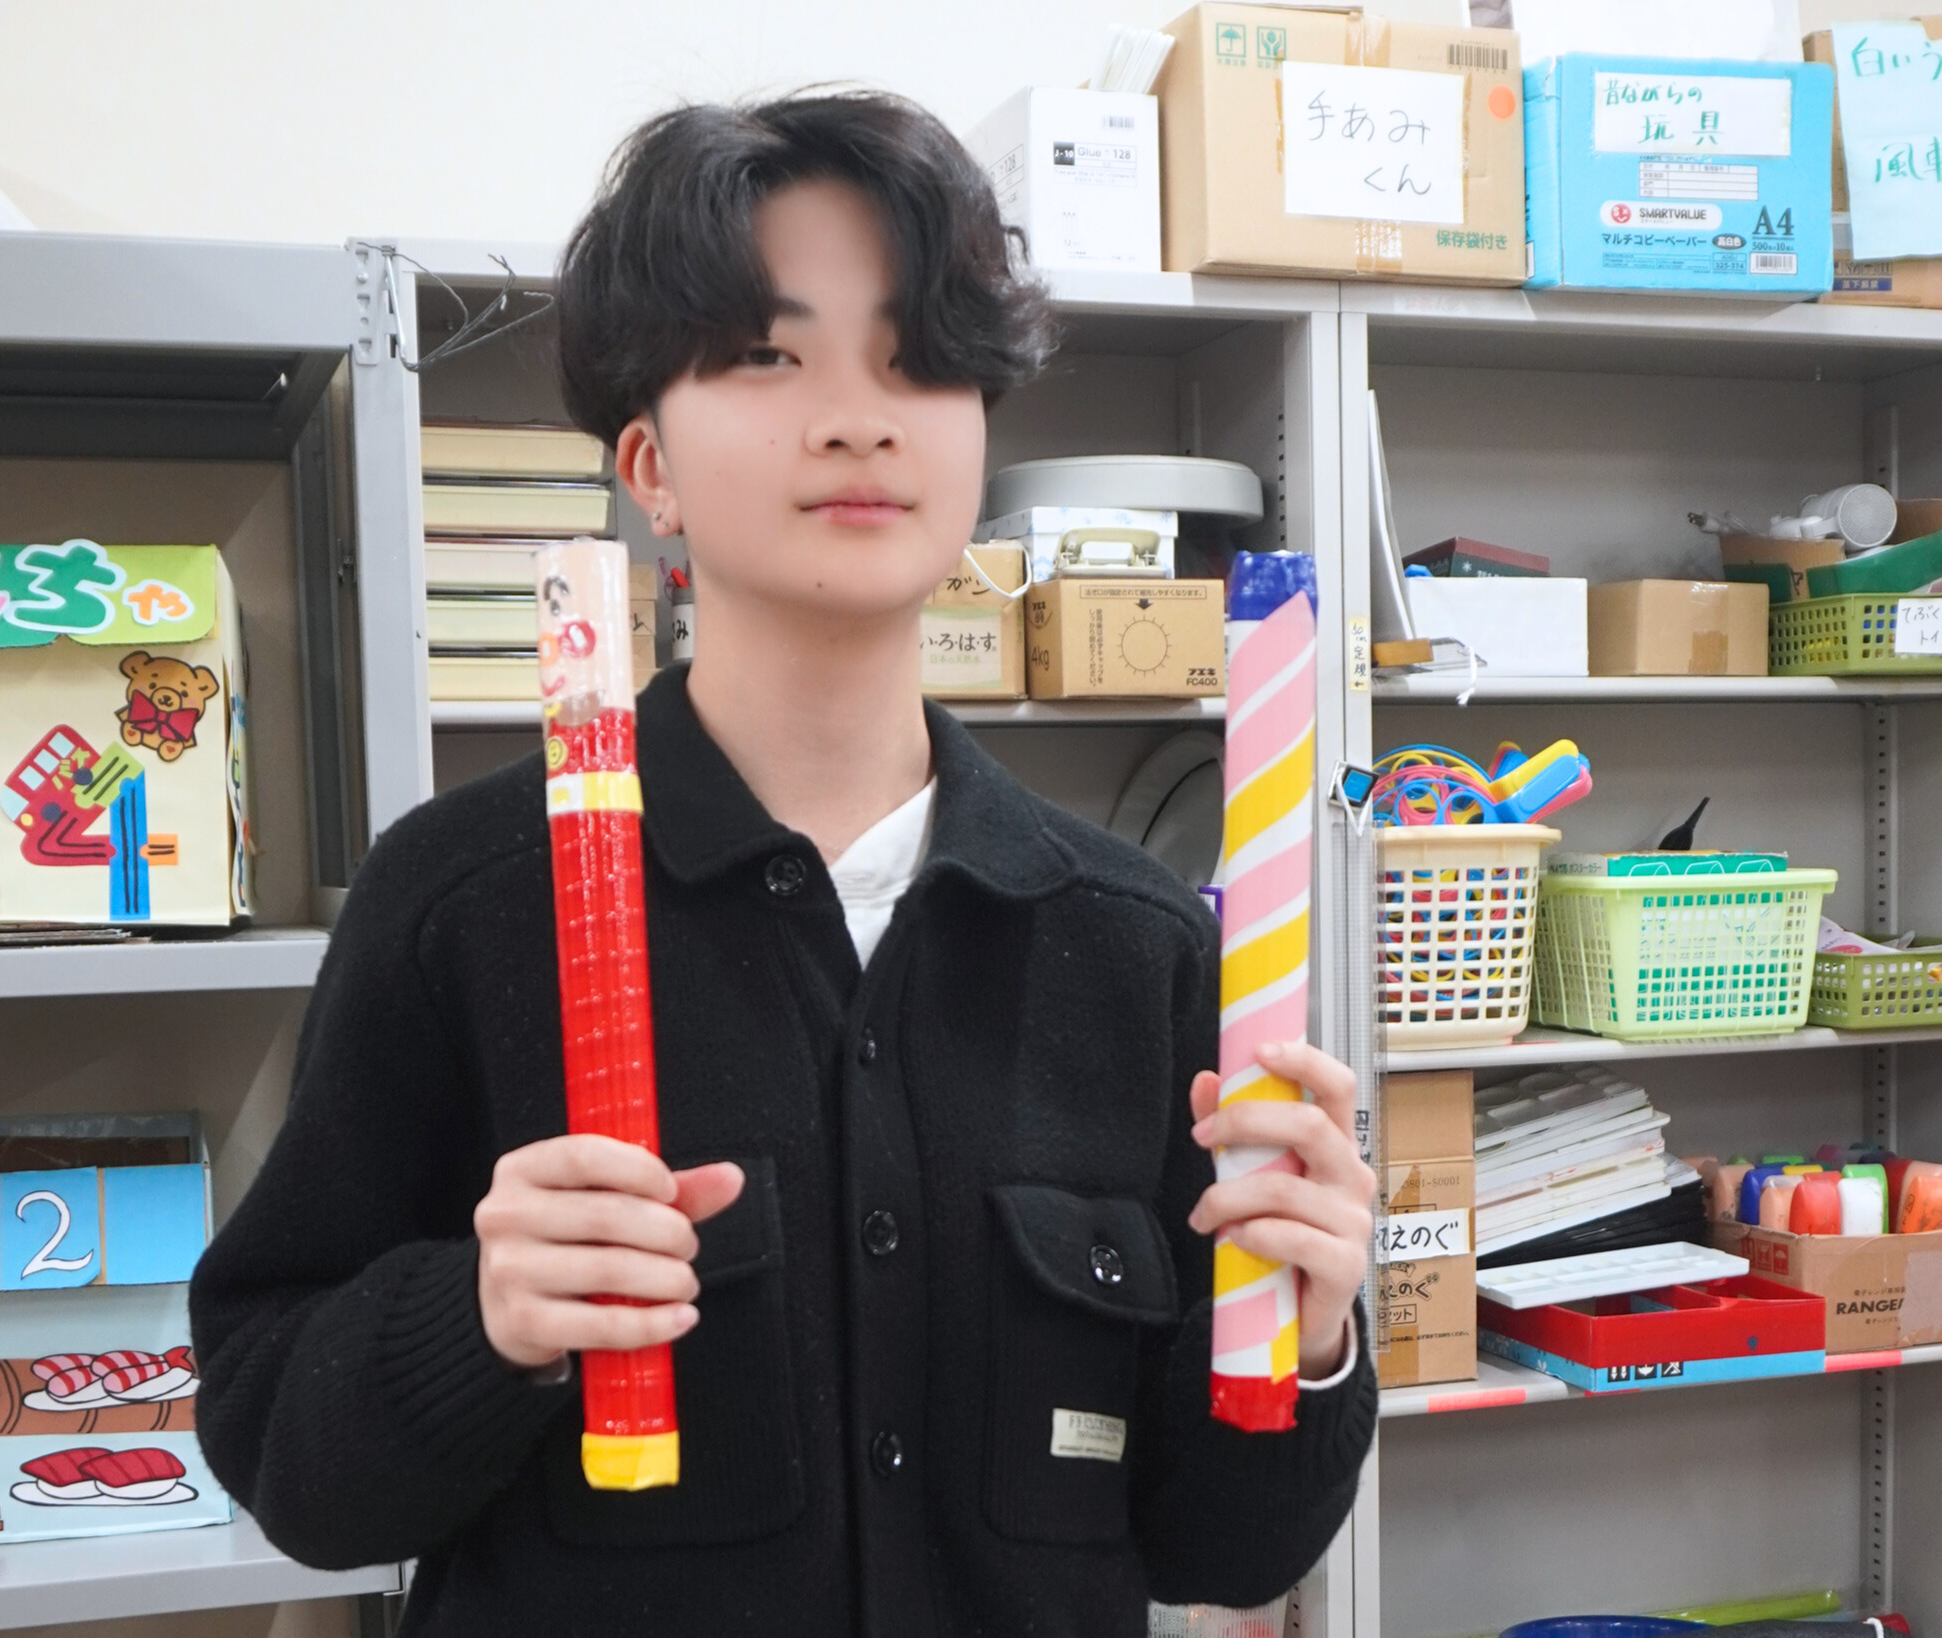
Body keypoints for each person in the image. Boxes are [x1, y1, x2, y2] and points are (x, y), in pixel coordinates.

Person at [190, 89, 1378, 1638]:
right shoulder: (464, 906)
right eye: (768, 353)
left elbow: (1218, 1545)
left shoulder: (1136, 943)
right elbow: (286, 1457)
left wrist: (1311, 1332)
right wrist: (479, 1324)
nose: (857, 416)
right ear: (648, 463)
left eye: (918, 358)